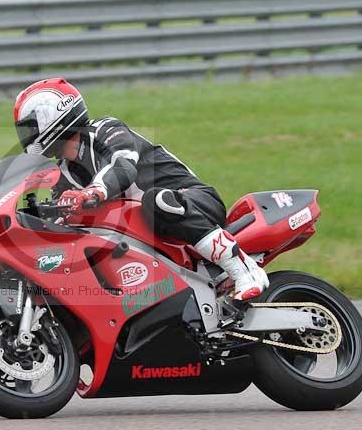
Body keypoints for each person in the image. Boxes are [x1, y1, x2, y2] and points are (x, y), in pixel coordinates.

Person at [13, 78, 268, 301]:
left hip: (193, 201)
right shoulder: (65, 174)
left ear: (54, 115)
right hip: (151, 237)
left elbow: (122, 166)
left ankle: (244, 270)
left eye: (30, 126)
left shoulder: (105, 130)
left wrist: (92, 193)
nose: (26, 136)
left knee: (156, 201)